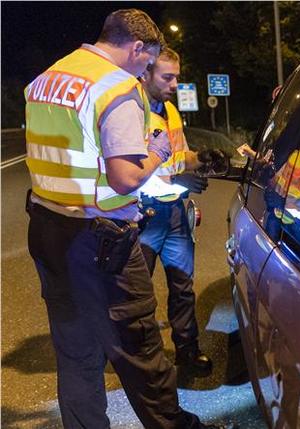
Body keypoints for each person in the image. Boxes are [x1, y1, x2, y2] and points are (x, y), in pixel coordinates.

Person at [24, 9, 214, 429]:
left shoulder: (49, 77)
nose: (146, 69)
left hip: (48, 227)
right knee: (140, 345)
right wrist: (161, 152)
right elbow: (126, 177)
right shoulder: (117, 87)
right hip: (101, 240)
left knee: (75, 351)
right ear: (137, 48)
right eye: (148, 61)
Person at [138, 47, 212, 373]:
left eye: (177, 76)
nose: (175, 83)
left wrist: (202, 160)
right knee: (138, 297)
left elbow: (179, 156)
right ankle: (144, 361)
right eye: (167, 77)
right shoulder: (130, 112)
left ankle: (187, 352)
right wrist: (177, 176)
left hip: (176, 213)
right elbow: (129, 170)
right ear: (146, 74)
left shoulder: (169, 110)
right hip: (143, 216)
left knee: (183, 287)